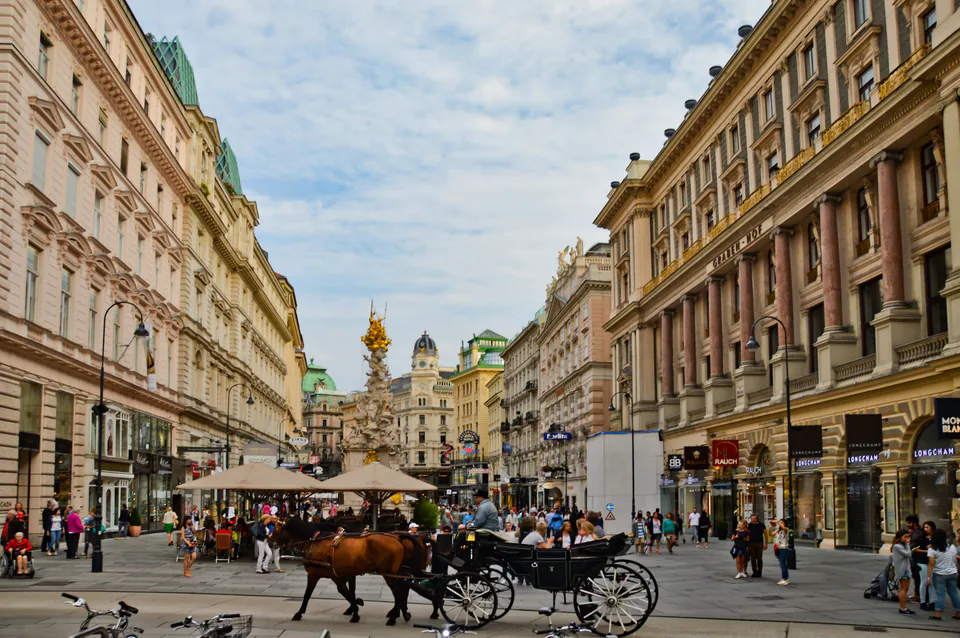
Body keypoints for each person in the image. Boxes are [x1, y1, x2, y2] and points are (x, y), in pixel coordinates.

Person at [926, 528, 960, 620]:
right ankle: (958, 612)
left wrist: (928, 576)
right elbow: (954, 560)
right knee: (954, 594)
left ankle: (938, 614)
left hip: (940, 574)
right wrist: (956, 570)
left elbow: (931, 563)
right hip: (953, 572)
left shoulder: (932, 549)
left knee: (940, 594)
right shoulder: (952, 547)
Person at [891, 529, 915, 615]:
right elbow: (907, 554)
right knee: (903, 589)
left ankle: (904, 607)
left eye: (908, 537)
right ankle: (903, 607)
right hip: (902, 570)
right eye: (905, 537)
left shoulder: (902, 545)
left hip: (906, 569)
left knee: (905, 589)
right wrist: (908, 545)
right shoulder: (897, 546)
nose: (907, 539)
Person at [917, 521, 937, 610]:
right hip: (923, 561)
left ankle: (932, 601)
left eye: (927, 527)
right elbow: (916, 549)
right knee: (924, 581)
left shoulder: (935, 538)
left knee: (932, 582)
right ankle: (922, 601)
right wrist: (927, 549)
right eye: (924, 527)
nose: (925, 529)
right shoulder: (922, 538)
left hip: (932, 562)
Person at [905, 514, 924, 601]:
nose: (907, 525)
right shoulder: (916, 532)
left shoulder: (917, 533)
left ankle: (918, 595)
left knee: (917, 577)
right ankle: (917, 594)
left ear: (914, 523)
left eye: (909, 523)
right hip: (916, 557)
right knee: (916, 577)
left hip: (916, 558)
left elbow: (914, 545)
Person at [773, 519, 793, 586]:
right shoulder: (779, 530)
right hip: (778, 548)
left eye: (782, 522)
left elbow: (783, 527)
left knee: (782, 564)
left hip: (783, 548)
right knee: (782, 563)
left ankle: (785, 578)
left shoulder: (786, 529)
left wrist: (778, 522)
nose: (780, 524)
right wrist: (771, 526)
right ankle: (785, 578)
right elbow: (771, 534)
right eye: (780, 522)